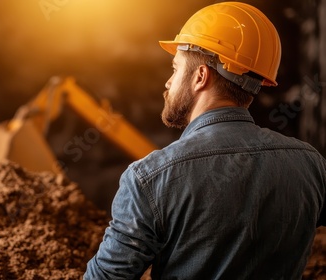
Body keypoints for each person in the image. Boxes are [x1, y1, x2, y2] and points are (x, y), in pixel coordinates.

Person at [84, 2, 326, 279]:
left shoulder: (149, 179)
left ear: (200, 77)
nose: (168, 82)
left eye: (175, 69)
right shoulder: (311, 165)